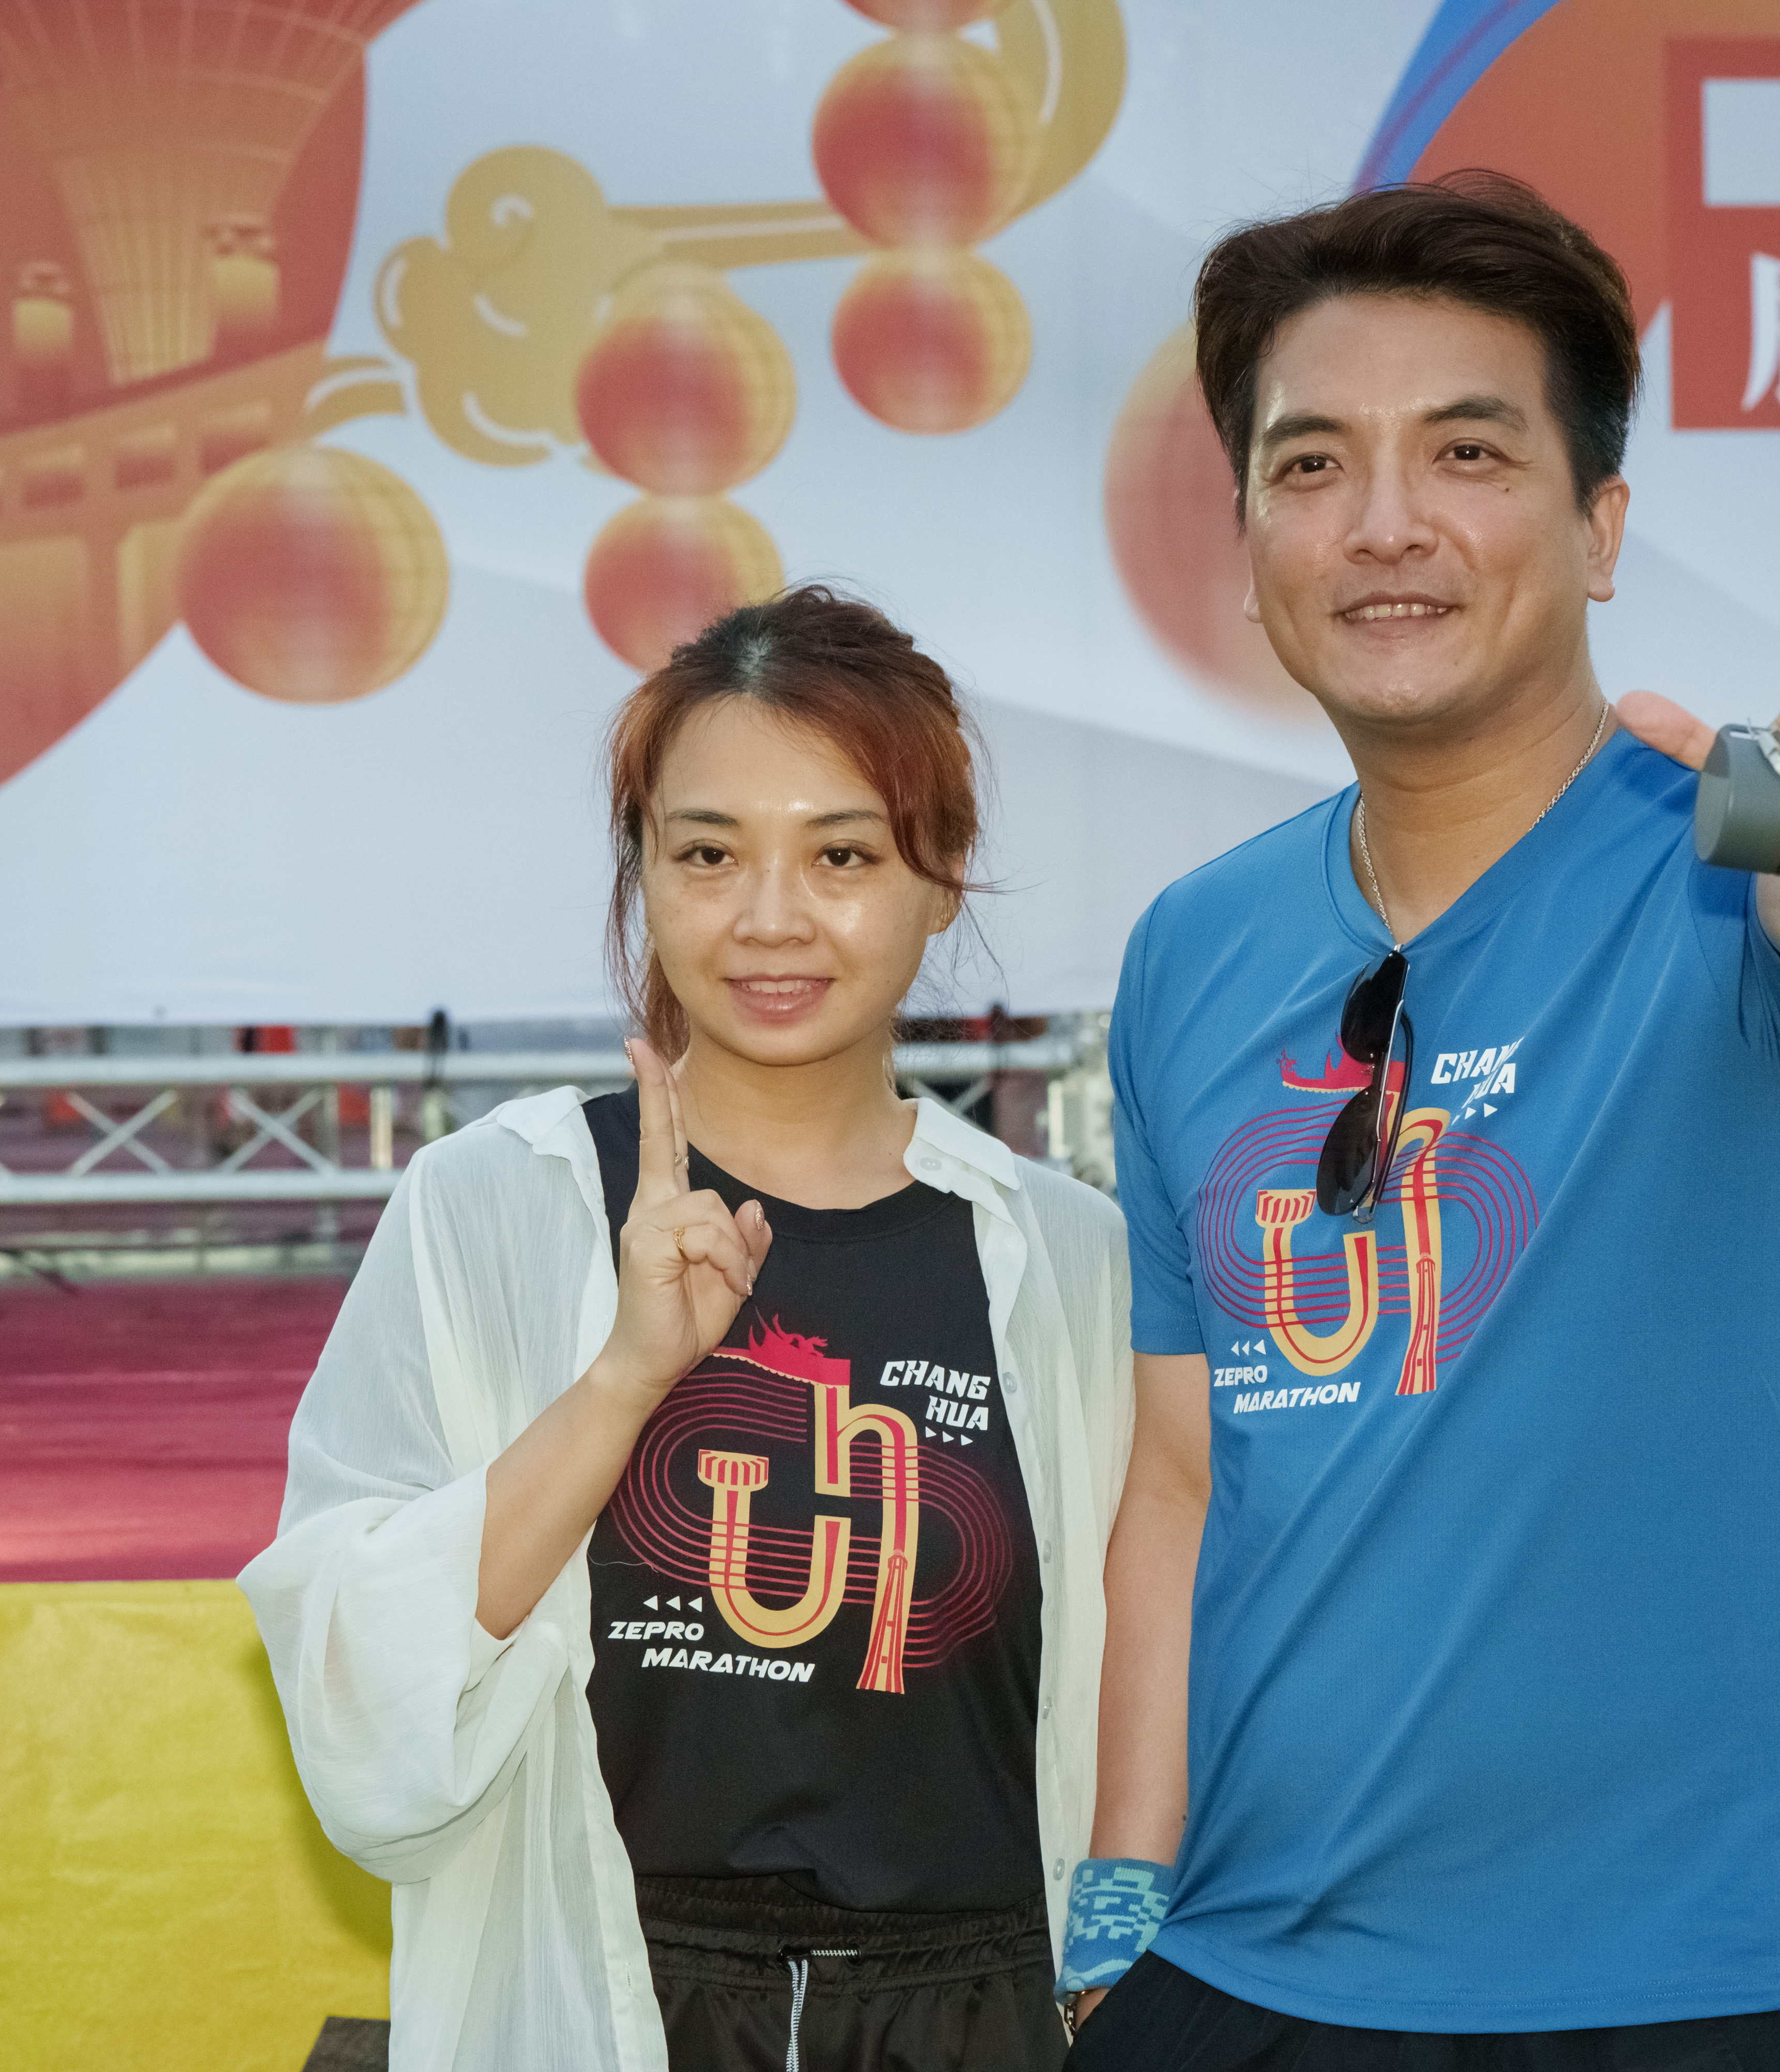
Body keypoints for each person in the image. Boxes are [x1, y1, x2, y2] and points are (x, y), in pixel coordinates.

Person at [1060, 175, 1780, 2071]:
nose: (1384, 523)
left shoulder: (1741, 865)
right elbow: (1183, 1480)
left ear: (1600, 528)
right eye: (1311, 464)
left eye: (1468, 453)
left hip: (1683, 1992)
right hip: (1239, 1980)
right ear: (1247, 543)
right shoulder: (1192, 950)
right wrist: (1117, 1914)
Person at [244, 587, 1131, 2072]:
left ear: (941, 879)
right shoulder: (500, 1206)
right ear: (644, 873)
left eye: (843, 855)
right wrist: (622, 1381)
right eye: (709, 853)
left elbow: (1143, 1689)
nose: (771, 918)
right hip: (602, 2001)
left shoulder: (1065, 1258)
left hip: (974, 2015)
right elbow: (360, 1714)